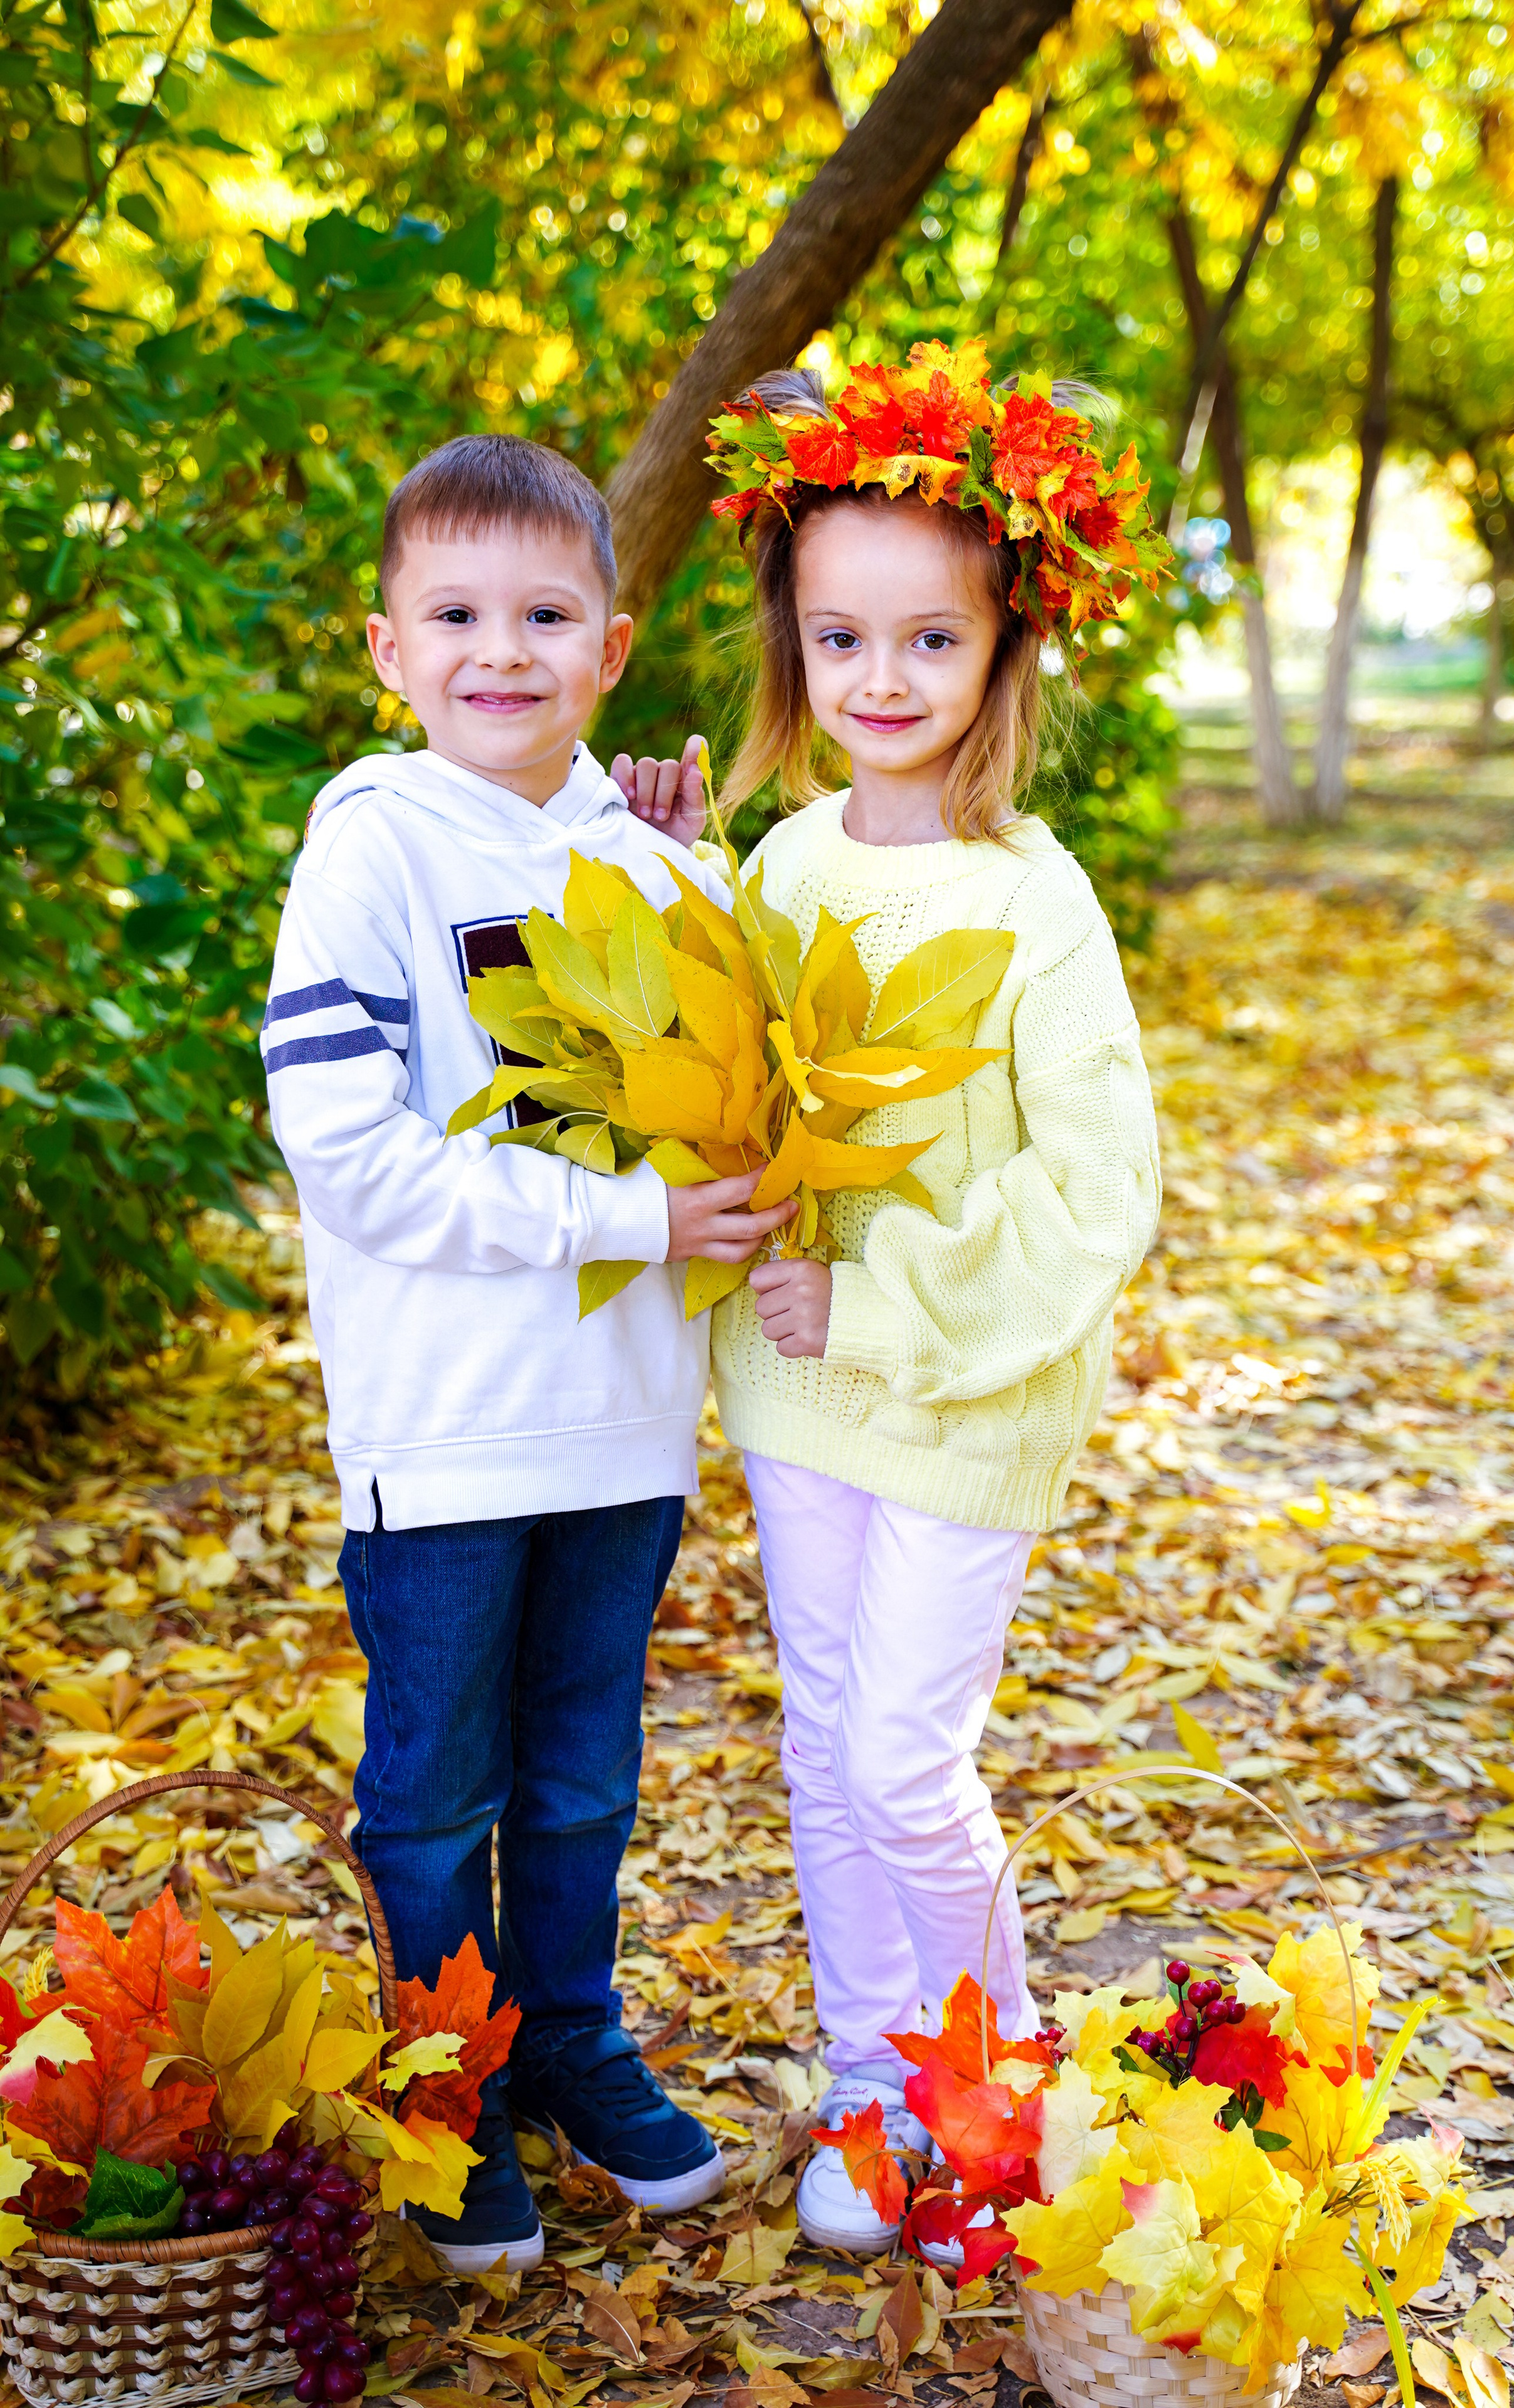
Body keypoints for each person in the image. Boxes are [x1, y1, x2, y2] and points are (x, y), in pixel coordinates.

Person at [262, 433, 791, 2274]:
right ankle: (452, 2089)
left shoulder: (648, 857)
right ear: (389, 651)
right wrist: (619, 1222)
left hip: (623, 1421)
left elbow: (732, 1075)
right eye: (458, 616)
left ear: (613, 648)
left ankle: (566, 2038)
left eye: (548, 616)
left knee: (581, 1779)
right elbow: (347, 1148)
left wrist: (699, 863)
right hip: (448, 1429)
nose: (504, 651)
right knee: (434, 1795)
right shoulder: (373, 848)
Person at [694, 347, 1165, 2252]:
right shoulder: (781, 866)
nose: (881, 679)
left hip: (967, 1386)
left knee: (905, 1752)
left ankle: (995, 2082)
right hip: (792, 1386)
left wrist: (881, 1307)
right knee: (824, 1743)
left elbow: (1098, 1189)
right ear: (794, 647)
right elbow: (725, 1081)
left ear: (1005, 648)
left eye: (930, 641)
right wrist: (657, 869)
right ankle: (873, 2090)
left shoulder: (1035, 900)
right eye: (841, 640)